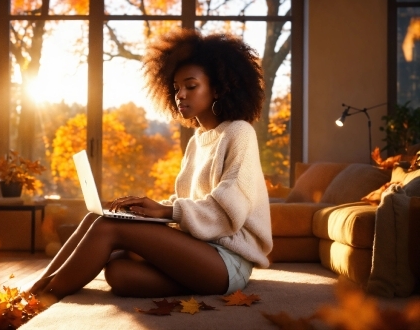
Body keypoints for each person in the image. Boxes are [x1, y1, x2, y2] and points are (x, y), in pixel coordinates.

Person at [28, 28, 272, 302]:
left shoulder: (239, 132)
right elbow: (188, 202)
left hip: (228, 261)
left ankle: (37, 301)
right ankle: (39, 285)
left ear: (217, 88)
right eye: (177, 88)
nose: (181, 95)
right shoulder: (197, 141)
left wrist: (166, 210)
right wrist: (145, 209)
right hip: (200, 250)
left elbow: (229, 209)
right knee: (117, 265)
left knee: (109, 229)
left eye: (191, 86)